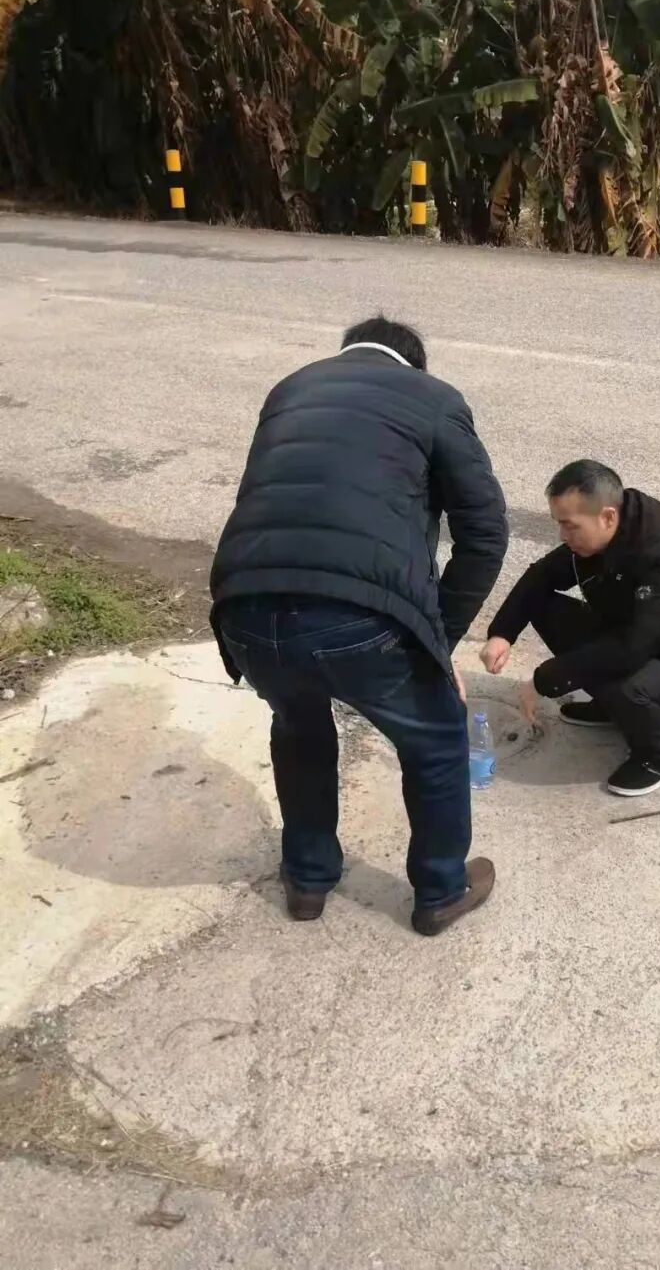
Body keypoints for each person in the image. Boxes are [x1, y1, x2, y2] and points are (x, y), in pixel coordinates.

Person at [210, 315, 508, 936]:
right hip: (357, 612)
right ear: (414, 365)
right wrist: (437, 643)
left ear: (348, 354)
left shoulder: (291, 387)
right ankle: (440, 891)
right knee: (435, 740)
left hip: (244, 606)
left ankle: (307, 879)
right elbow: (484, 535)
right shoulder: (435, 399)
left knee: (299, 726)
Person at [480, 460, 660, 796]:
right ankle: (613, 708)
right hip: (638, 648)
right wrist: (502, 634)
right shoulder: (594, 542)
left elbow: (631, 649)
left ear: (608, 517)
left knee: (627, 681)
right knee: (544, 605)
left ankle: (658, 756)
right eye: (559, 524)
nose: (563, 536)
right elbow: (541, 576)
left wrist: (544, 680)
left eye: (570, 526)